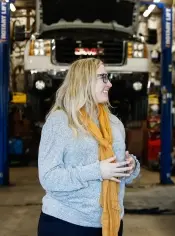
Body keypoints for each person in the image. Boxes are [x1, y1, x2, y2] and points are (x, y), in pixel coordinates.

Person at [37, 58, 141, 236]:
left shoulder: (114, 123)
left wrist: (131, 166)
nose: (109, 84)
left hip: (110, 223)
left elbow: (118, 174)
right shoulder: (60, 122)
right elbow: (48, 177)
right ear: (84, 81)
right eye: (103, 78)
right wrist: (98, 171)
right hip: (66, 223)